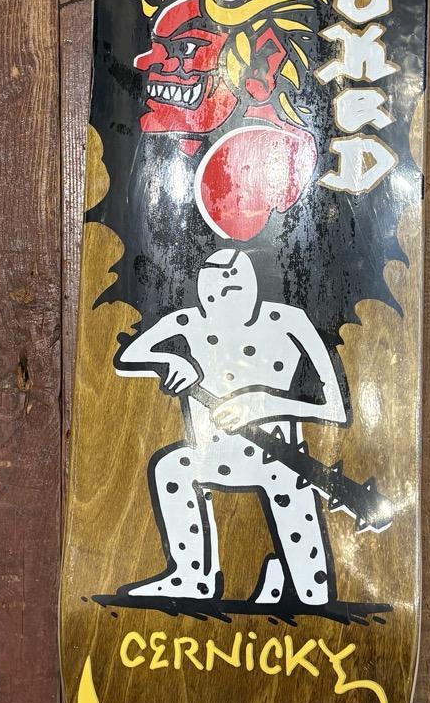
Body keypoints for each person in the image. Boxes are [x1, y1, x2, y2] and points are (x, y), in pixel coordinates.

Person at [114, 248, 347, 606]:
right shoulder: (186, 321)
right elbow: (128, 356)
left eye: (233, 283)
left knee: (313, 597)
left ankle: (290, 577)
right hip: (209, 454)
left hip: (281, 460)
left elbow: (336, 409)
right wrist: (173, 360)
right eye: (213, 283)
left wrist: (263, 403)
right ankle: (192, 576)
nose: (223, 292)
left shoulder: (289, 321)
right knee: (171, 469)